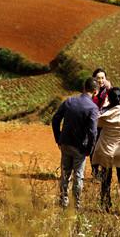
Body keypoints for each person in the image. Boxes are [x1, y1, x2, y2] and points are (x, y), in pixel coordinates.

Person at [51, 77, 99, 210]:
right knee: (78, 175)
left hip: (65, 143)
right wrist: (89, 149)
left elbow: (55, 120)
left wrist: (58, 138)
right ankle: (75, 205)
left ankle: (63, 201)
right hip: (80, 147)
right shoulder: (93, 108)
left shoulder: (69, 101)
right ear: (95, 92)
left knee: (65, 174)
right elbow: (93, 132)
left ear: (84, 88)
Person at [91, 87, 120, 212]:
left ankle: (105, 204)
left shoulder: (103, 116)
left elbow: (97, 122)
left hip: (106, 150)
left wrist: (105, 106)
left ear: (108, 99)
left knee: (106, 179)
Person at [90, 68, 112, 180]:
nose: (100, 80)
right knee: (93, 148)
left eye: (102, 78)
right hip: (93, 124)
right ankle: (95, 171)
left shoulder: (108, 91)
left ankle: (104, 172)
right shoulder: (91, 91)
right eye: (98, 78)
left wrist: (109, 89)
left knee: (104, 148)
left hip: (104, 124)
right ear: (94, 79)